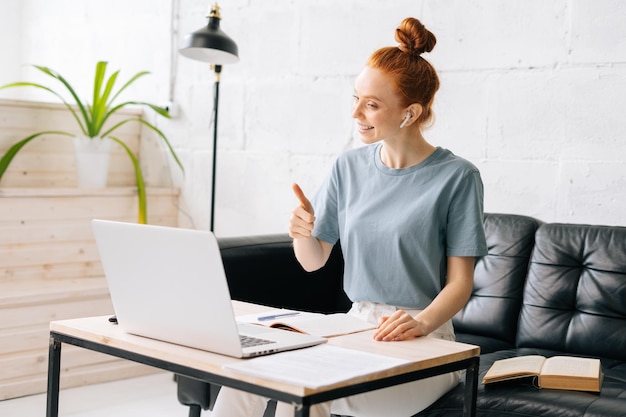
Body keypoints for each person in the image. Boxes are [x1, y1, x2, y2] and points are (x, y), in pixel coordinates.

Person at [211, 16, 488, 417]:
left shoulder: (457, 176)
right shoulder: (349, 166)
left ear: (410, 113)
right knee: (245, 378)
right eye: (355, 98)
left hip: (426, 341)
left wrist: (422, 323)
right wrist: (302, 232)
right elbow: (312, 261)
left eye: (372, 104)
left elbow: (460, 284)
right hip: (354, 326)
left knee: (302, 392)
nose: (357, 112)